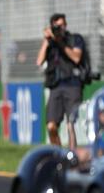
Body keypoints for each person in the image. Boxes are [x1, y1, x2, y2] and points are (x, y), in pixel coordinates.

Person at [36, 13, 85, 149]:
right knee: (51, 126)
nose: (62, 28)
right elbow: (39, 61)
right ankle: (58, 155)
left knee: (71, 124)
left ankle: (72, 157)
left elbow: (76, 58)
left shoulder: (75, 39)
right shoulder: (49, 43)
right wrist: (47, 41)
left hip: (73, 85)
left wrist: (60, 42)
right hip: (56, 87)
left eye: (63, 25)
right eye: (58, 26)